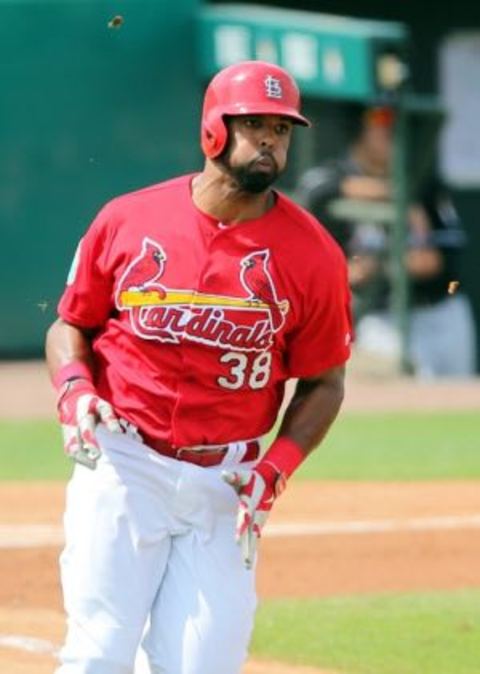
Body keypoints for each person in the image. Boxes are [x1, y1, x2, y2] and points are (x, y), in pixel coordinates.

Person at [45, 60, 352, 674]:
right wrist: (75, 391)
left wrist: (277, 468)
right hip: (125, 463)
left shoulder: (313, 253)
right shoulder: (129, 219)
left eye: (282, 128)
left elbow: (325, 381)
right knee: (99, 652)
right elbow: (71, 325)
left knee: (205, 664)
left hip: (227, 481)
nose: (270, 140)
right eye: (254, 124)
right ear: (214, 129)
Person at [297, 105, 477, 378]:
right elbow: (314, 189)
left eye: (395, 124)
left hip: (440, 310)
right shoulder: (336, 174)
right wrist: (394, 196)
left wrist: (382, 264)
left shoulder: (422, 179)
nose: (389, 132)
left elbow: (437, 260)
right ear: (359, 128)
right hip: (382, 318)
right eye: (380, 123)